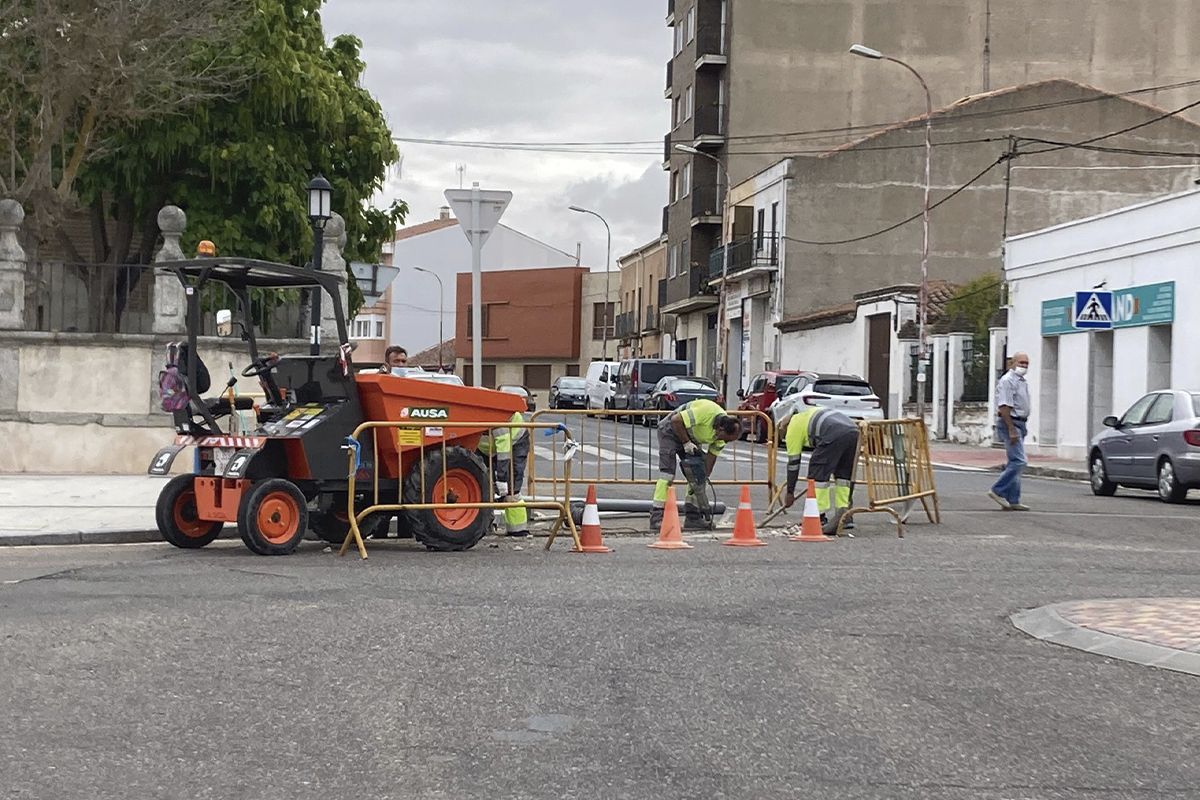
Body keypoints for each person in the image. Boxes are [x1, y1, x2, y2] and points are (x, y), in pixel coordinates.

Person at [651, 398, 742, 531]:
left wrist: (702, 476)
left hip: (690, 437)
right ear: (720, 429)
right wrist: (686, 443)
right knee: (667, 475)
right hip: (670, 430)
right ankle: (656, 517)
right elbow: (676, 420)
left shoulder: (722, 438)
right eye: (725, 438)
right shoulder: (706, 412)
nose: (724, 442)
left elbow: (709, 462)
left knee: (697, 476)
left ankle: (693, 517)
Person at [781, 406, 860, 535]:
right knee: (843, 476)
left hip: (832, 433)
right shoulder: (806, 414)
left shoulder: (792, 428)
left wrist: (790, 492)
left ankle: (818, 516)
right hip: (853, 431)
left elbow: (793, 464)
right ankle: (845, 516)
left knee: (817, 474)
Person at [989, 352, 1031, 511]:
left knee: (1014, 462)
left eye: (1026, 363)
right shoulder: (1007, 381)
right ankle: (997, 490)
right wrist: (1011, 429)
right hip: (1010, 423)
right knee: (1020, 461)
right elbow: (1004, 406)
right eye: (1021, 362)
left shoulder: (1021, 381)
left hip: (1020, 423)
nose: (1024, 366)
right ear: (1012, 363)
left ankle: (1013, 499)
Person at [477, 411, 530, 536]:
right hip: (486, 449)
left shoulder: (496, 416)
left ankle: (518, 530)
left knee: (512, 488)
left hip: (515, 442)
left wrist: (501, 478)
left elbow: (504, 451)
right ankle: (484, 526)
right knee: (481, 485)